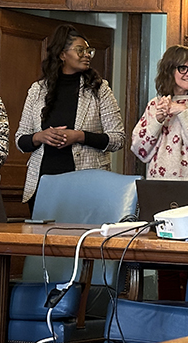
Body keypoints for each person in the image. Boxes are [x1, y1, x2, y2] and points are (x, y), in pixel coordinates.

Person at [15, 24, 126, 211]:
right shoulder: (38, 90)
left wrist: (80, 136)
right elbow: (20, 140)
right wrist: (39, 137)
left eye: (89, 51)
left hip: (87, 187)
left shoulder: (99, 89)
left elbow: (118, 138)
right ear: (62, 55)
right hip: (43, 185)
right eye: (80, 50)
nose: (86, 55)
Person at [131, 45, 188, 179]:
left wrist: (183, 112)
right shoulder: (155, 104)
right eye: (183, 68)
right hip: (158, 186)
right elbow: (139, 150)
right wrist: (157, 121)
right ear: (169, 71)